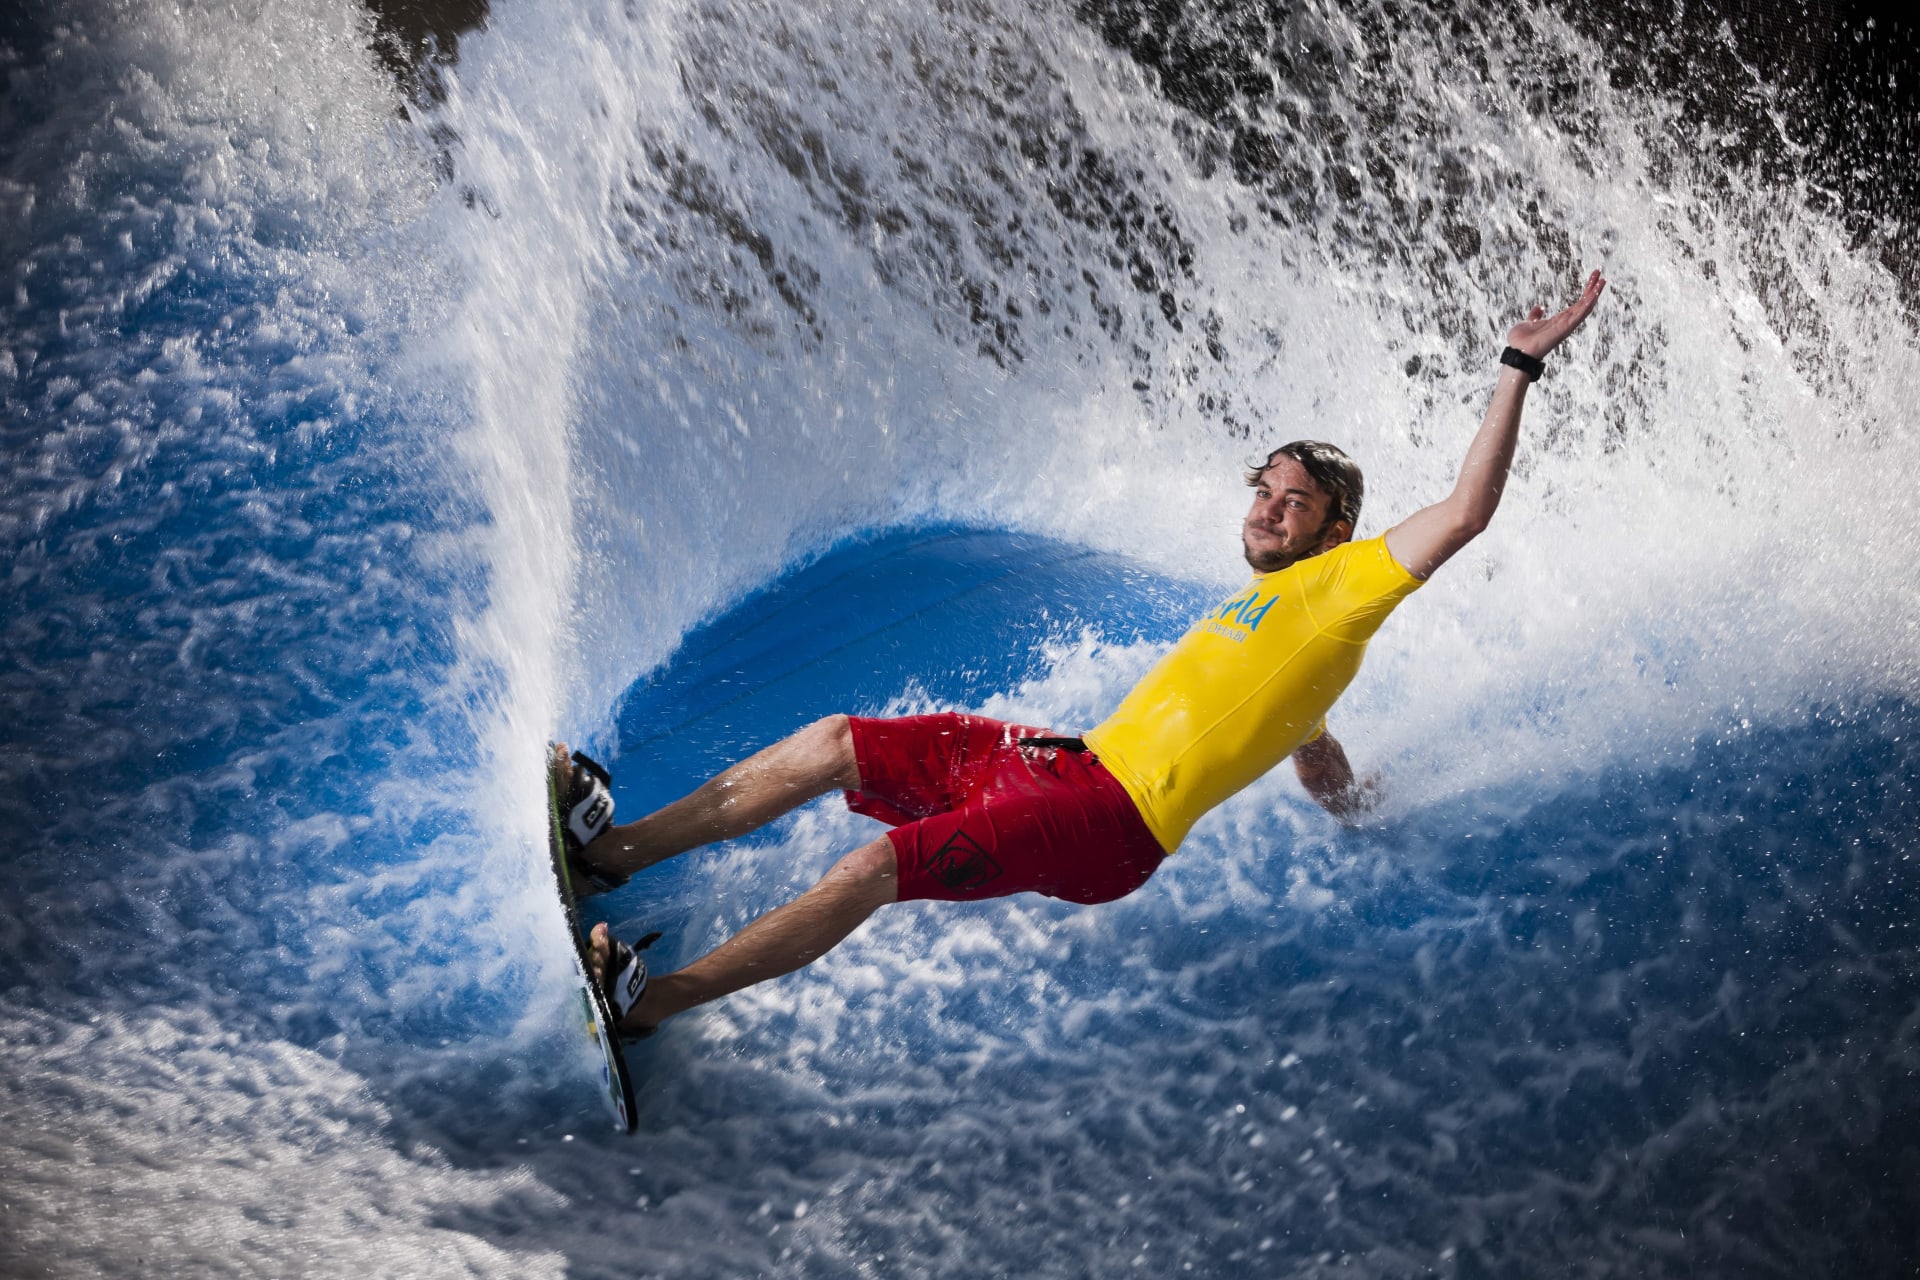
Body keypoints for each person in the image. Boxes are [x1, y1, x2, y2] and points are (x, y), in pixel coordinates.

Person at [560, 269, 1609, 1037]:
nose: (1267, 510)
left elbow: (1465, 511)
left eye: (1295, 503)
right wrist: (1362, 801)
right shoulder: (1281, 623)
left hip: (1112, 819)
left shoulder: (1346, 589)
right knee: (841, 740)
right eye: (1263, 490)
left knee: (876, 866)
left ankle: (654, 1005)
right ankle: (617, 852)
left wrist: (1517, 364)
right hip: (1066, 762)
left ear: (1337, 532)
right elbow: (1311, 746)